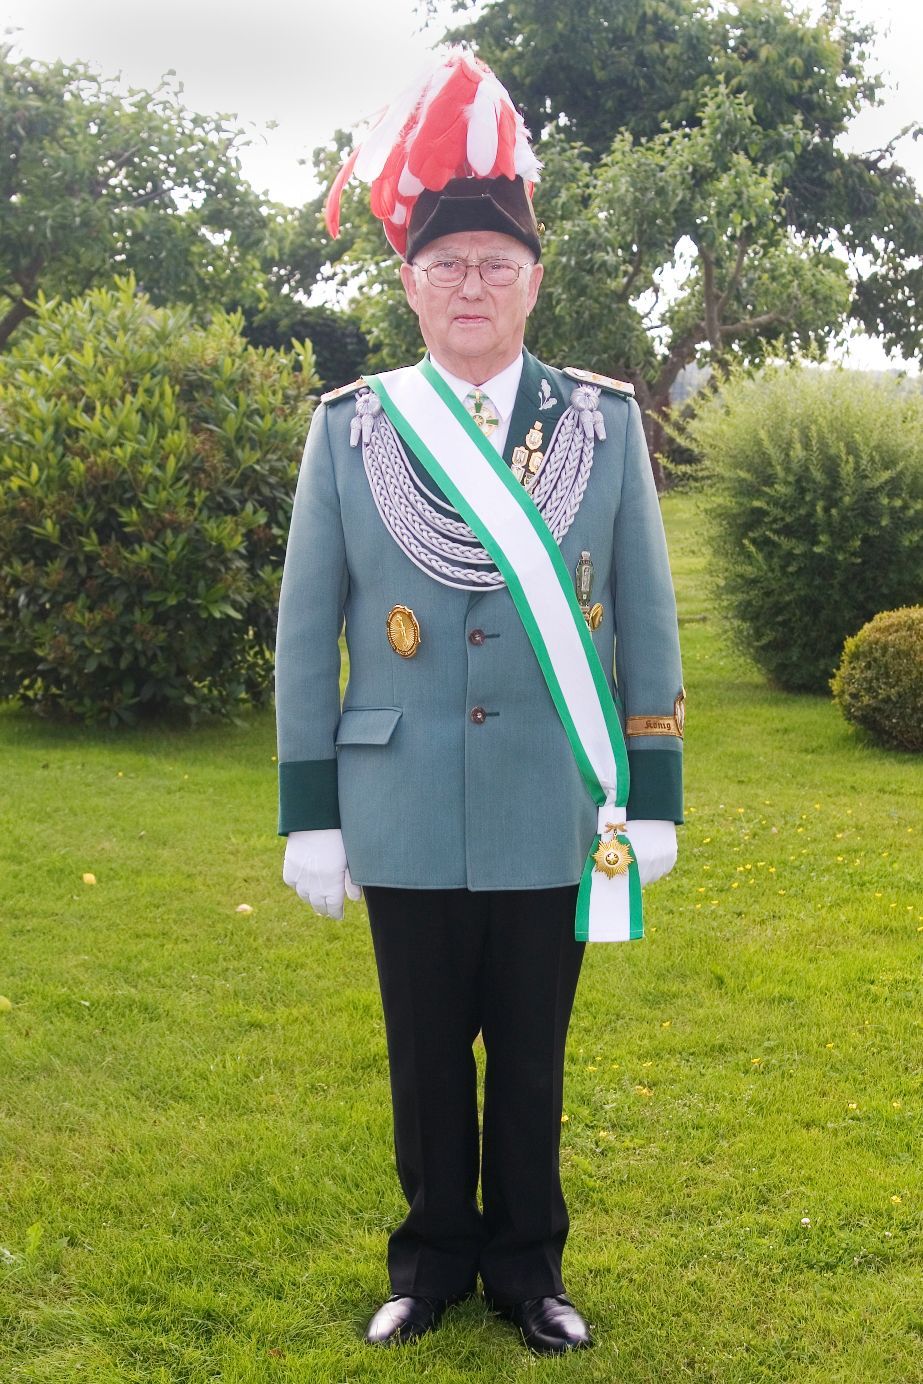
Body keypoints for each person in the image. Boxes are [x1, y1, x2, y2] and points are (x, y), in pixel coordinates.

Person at [274, 51, 684, 1356]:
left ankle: (528, 1270)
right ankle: (431, 1262)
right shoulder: (352, 430)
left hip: (550, 803)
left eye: (495, 265)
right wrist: (310, 814)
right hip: (398, 804)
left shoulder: (603, 429)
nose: (470, 285)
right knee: (422, 1053)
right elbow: (305, 637)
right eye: (446, 264)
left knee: (532, 1050)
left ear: (532, 282)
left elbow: (650, 624)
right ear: (409, 282)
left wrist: (657, 797)